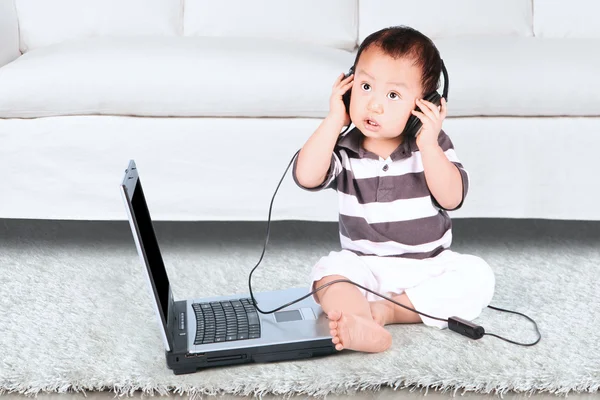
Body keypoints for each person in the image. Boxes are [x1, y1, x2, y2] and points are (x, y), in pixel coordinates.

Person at [292, 26, 495, 353]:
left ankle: (383, 312)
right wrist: (334, 119)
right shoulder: (345, 149)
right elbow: (307, 175)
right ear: (348, 86)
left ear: (423, 106)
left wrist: (429, 145)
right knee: (327, 275)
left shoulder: (431, 148)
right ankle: (356, 317)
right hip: (364, 268)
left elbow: (452, 197)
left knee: (478, 276)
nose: (374, 105)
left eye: (393, 95)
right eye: (366, 86)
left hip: (427, 268)